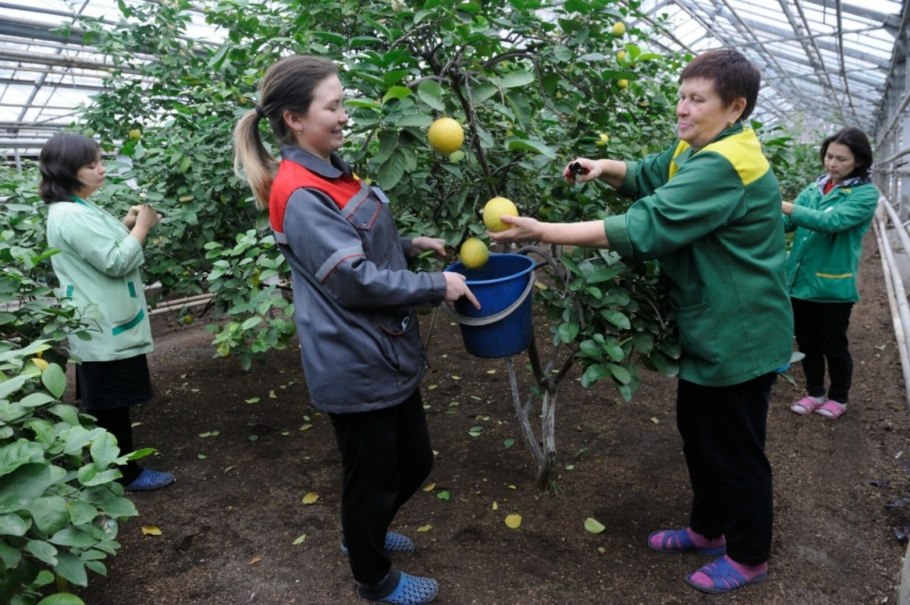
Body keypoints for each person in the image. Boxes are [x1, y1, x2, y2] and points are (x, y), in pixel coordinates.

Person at [489, 49, 793, 595]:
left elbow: (645, 225)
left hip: (741, 331)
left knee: (734, 449)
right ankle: (709, 529)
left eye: (697, 100)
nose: (682, 108)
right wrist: (604, 167)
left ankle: (749, 555)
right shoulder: (699, 148)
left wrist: (544, 231)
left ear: (735, 107)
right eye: (682, 96)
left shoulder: (727, 164)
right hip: (712, 325)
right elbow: (653, 173)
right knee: (699, 436)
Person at [232, 55, 478, 605]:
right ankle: (373, 577)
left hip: (381, 350)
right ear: (295, 118)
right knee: (371, 478)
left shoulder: (333, 173)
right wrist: (436, 284)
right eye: (334, 106)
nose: (345, 115)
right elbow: (352, 280)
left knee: (413, 461)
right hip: (354, 359)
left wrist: (409, 245)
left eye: (343, 103)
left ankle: (364, 533)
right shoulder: (301, 192)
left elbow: (356, 245)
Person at [40, 132, 175, 492]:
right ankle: (123, 475)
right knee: (110, 406)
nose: (101, 169)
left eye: (100, 161)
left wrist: (127, 224)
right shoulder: (70, 214)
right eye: (91, 165)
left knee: (111, 404)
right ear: (67, 171)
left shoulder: (78, 206)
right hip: (103, 325)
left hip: (104, 321)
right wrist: (143, 228)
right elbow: (115, 262)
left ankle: (114, 469)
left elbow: (99, 247)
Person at [783, 127, 879, 420]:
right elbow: (788, 223)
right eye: (829, 156)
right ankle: (814, 393)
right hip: (799, 282)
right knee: (807, 343)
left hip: (831, 287)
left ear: (858, 161)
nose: (832, 164)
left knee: (834, 345)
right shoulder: (816, 188)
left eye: (841, 159)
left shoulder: (865, 194)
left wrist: (783, 205)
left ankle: (838, 397)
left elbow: (831, 222)